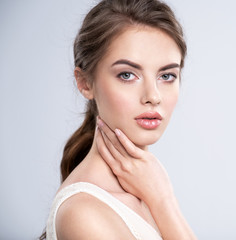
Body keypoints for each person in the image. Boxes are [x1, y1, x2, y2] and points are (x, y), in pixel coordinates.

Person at [42, 0, 197, 239]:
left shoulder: (147, 186)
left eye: (167, 75)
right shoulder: (83, 213)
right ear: (84, 82)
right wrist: (164, 202)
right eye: (127, 75)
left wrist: (160, 199)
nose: (153, 96)